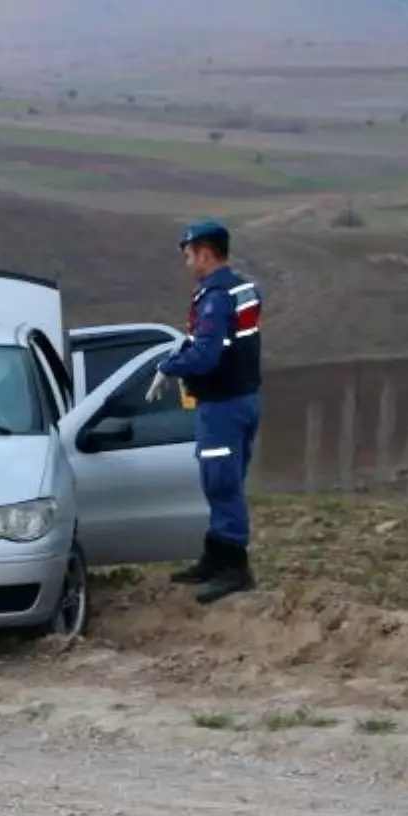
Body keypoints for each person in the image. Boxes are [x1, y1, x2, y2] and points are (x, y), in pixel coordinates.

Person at [146, 220, 262, 605]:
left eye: (188, 256)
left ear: (205, 253)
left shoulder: (215, 297)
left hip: (223, 404)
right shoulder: (241, 288)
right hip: (241, 398)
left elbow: (207, 354)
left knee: (220, 483)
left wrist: (169, 367)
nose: (187, 264)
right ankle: (215, 556)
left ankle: (233, 567)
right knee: (224, 481)